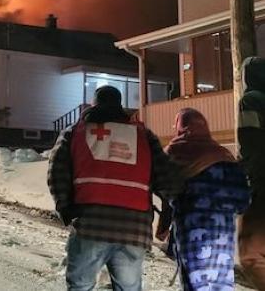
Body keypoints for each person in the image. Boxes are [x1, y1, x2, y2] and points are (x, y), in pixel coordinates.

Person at [48, 85, 182, 291]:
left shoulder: (76, 131)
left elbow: (57, 171)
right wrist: (172, 215)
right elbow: (167, 180)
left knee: (80, 286)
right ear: (120, 105)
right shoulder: (143, 135)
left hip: (89, 224)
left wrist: (64, 207)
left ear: (94, 104)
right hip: (133, 229)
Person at [157, 108, 250, 291]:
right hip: (223, 233)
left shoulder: (172, 153)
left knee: (196, 282)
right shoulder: (225, 156)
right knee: (221, 283)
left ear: (180, 126)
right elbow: (242, 200)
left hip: (190, 229)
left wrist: (162, 227)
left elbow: (163, 191)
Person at [237, 56, 265, 289]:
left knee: (252, 253)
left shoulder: (251, 100)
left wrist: (247, 171)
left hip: (260, 179)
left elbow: (250, 139)